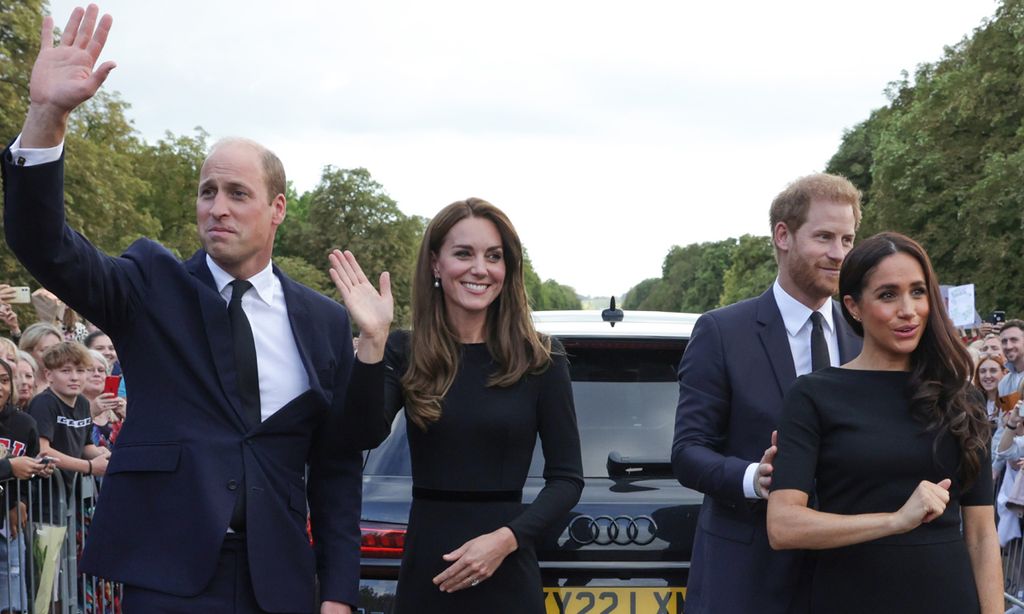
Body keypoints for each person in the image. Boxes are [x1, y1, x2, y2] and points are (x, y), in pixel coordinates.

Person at [2, 6, 389, 612]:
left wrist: (338, 591)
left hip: (280, 579)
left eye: (238, 193)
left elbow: (336, 468)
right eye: (208, 191)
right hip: (168, 574)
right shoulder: (149, 287)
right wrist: (46, 116)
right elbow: (44, 244)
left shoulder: (322, 319)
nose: (218, 208)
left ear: (278, 209)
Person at [330, 198, 583, 613]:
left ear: (508, 268)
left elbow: (567, 480)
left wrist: (505, 540)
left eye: (494, 256)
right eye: (463, 253)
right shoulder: (403, 349)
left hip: (508, 572)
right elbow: (360, 434)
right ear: (435, 264)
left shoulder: (541, 359)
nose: (480, 268)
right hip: (429, 573)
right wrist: (373, 338)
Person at [767, 232, 1002, 614]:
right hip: (849, 597)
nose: (908, 309)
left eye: (918, 292)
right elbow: (783, 526)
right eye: (888, 294)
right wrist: (894, 521)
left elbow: (981, 535)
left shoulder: (961, 398)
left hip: (948, 598)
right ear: (854, 306)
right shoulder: (814, 395)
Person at [671, 173, 863, 613]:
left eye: (848, 239)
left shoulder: (863, 333)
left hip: (846, 575)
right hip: (747, 578)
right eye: (825, 237)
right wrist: (753, 478)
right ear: (783, 235)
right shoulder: (722, 332)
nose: (840, 254)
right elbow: (688, 451)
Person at [0, 358, 53, 613]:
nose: (0, 387)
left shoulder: (24, 424)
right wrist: (10, 467)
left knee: (11, 600)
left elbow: (28, 472)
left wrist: (19, 501)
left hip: (6, 525)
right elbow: (14, 467)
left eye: (3, 380)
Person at [17, 322, 61, 394]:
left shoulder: (67, 385)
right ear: (28, 352)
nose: (55, 354)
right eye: (46, 350)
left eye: (59, 349)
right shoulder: (18, 386)